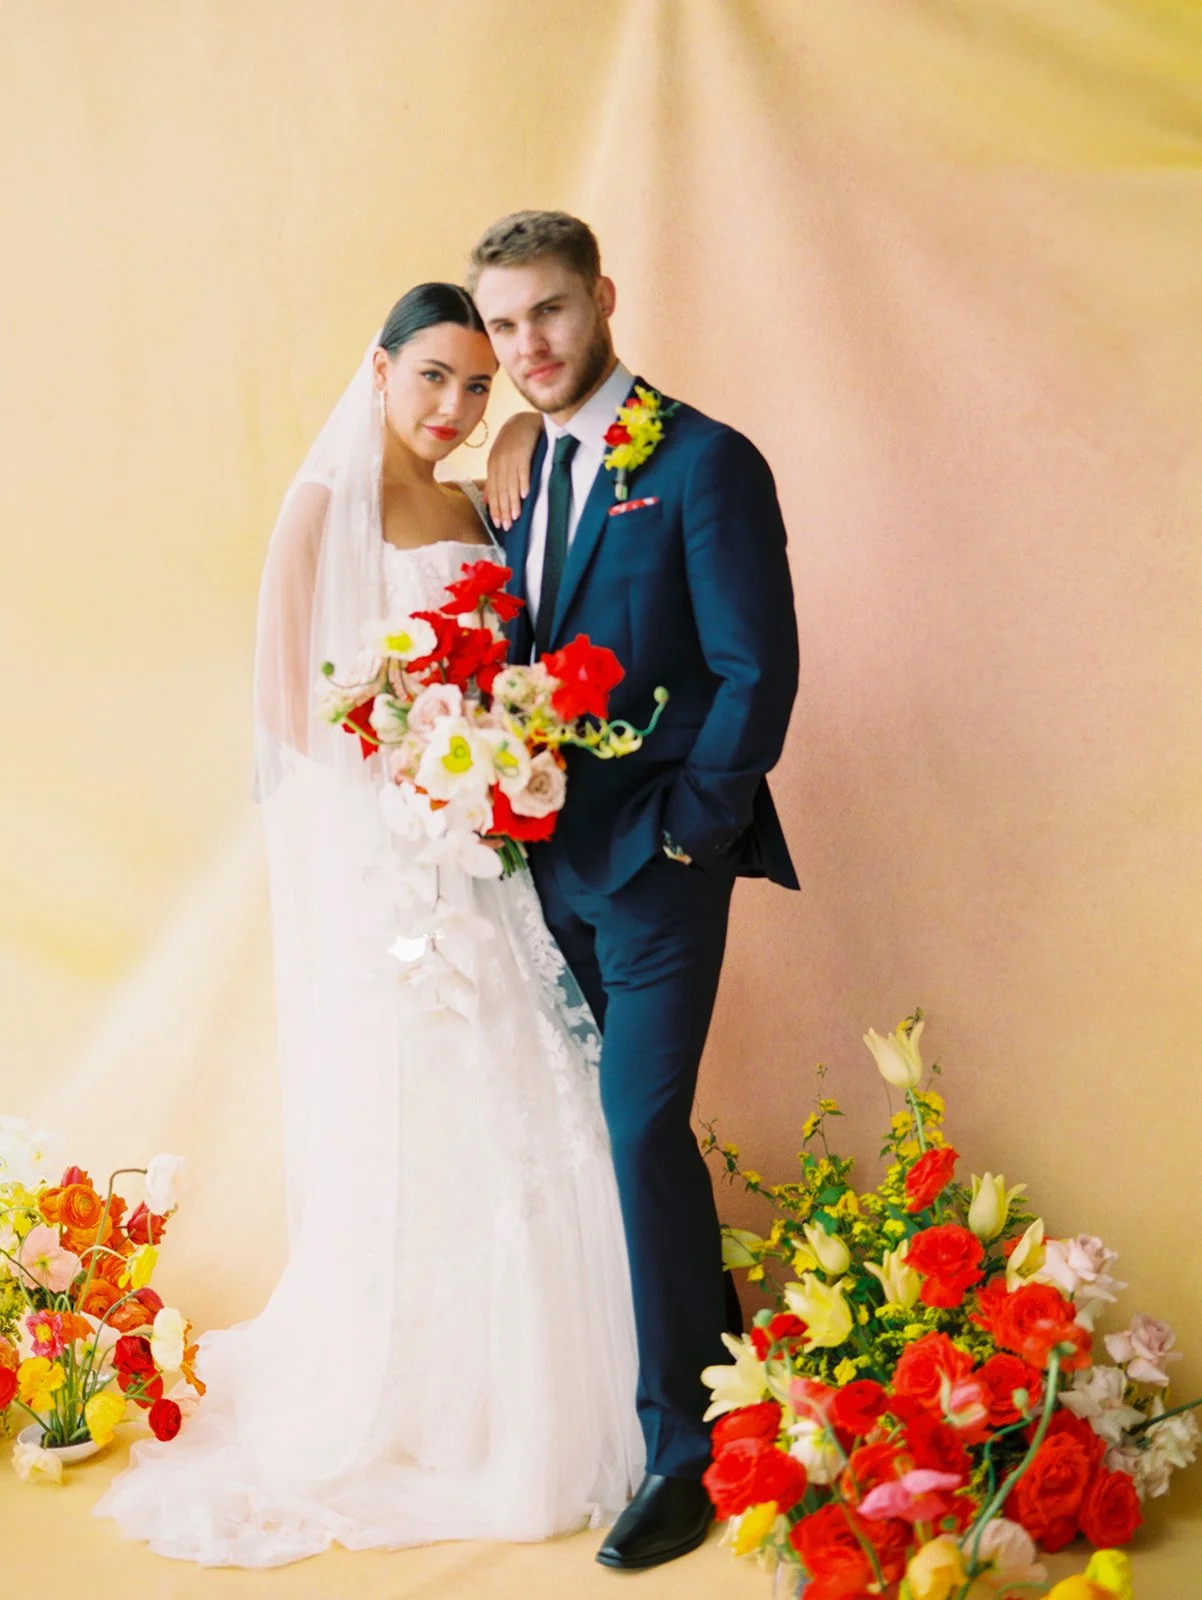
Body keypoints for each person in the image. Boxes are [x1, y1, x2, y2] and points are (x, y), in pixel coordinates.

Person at [91, 283, 643, 1567]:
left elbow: (518, 643)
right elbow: (289, 710)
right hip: (392, 862)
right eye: (433, 380)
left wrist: (489, 758)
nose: (454, 408)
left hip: (486, 845)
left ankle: (547, 1398)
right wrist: (416, 768)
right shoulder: (323, 508)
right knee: (432, 1098)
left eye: (476, 387)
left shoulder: (474, 501)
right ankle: (418, 1393)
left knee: (535, 1088)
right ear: (380, 371)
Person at [469, 212, 799, 1572]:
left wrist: (686, 835)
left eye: (547, 312)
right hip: (545, 865)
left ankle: (684, 1454)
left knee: (639, 1130)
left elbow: (753, 670)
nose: (526, 346)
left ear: (601, 299)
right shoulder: (528, 464)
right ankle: (728, 1376)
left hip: (661, 866)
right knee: (613, 1137)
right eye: (501, 326)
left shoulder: (706, 461)